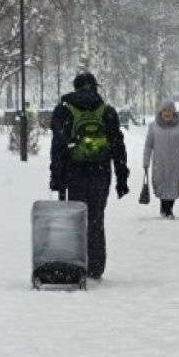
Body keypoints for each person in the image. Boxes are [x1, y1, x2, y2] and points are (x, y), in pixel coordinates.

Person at [49, 72, 130, 280]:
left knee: (76, 219)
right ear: (95, 87)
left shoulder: (64, 111)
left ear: (75, 87)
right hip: (100, 173)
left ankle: (76, 265)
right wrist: (122, 178)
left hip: (73, 173)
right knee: (96, 219)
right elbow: (118, 147)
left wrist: (56, 177)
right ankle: (95, 267)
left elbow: (58, 147)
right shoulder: (107, 111)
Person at [144, 100, 179, 219]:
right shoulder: (153, 127)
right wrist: (145, 161)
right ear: (160, 112)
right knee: (161, 184)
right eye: (164, 111)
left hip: (175, 164)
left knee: (173, 186)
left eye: (169, 111)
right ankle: (164, 208)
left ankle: (168, 209)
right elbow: (148, 145)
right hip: (159, 163)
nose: (167, 113)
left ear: (173, 112)